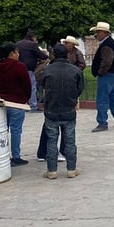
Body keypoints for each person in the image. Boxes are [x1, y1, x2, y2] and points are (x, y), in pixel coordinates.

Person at [38, 43, 85, 179]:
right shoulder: (75, 70)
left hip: (51, 109)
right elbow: (80, 88)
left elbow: (41, 84)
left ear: (54, 55)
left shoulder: (47, 70)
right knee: (70, 140)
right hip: (69, 109)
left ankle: (52, 171)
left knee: (51, 140)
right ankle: (71, 169)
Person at [0, 43, 31, 167]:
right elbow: (27, 85)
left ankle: (1, 154)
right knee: (16, 131)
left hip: (1, 102)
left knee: (2, 130)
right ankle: (16, 156)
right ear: (12, 53)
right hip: (16, 103)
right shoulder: (20, 67)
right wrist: (25, 98)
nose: (18, 55)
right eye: (17, 52)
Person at [90, 21, 114, 131]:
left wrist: (100, 71)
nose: (96, 35)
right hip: (112, 74)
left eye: (98, 32)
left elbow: (107, 61)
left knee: (102, 99)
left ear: (104, 33)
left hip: (107, 75)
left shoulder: (107, 45)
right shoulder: (109, 43)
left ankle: (102, 122)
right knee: (113, 98)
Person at [15, 30, 47, 112]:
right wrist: (46, 56)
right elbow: (40, 54)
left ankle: (21, 105)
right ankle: (33, 106)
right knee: (32, 87)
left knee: (21, 87)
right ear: (33, 37)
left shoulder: (18, 44)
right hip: (29, 69)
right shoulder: (32, 44)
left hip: (18, 68)